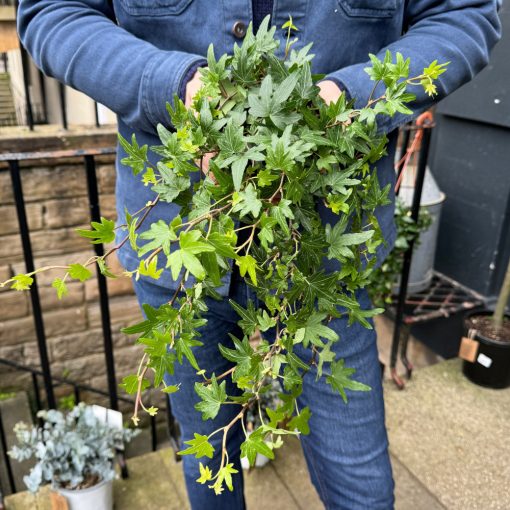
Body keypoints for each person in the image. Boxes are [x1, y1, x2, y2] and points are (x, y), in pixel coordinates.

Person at [18, 1, 500, 509]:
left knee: (362, 486)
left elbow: (463, 17)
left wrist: (351, 97)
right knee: (209, 466)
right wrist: (175, 87)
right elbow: (54, 12)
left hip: (324, 264)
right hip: (181, 247)